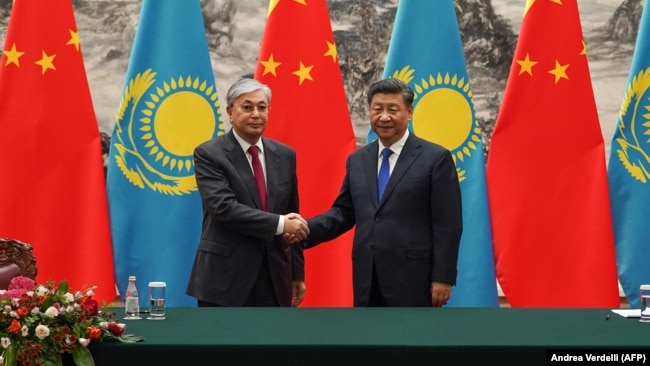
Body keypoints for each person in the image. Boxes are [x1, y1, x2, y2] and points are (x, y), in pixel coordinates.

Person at [298, 78, 463, 307]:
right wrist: (302, 231)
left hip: (415, 279)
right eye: (378, 109)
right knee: (370, 340)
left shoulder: (435, 158)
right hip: (367, 276)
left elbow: (448, 224)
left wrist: (442, 277)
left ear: (409, 112)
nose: (384, 117)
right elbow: (344, 213)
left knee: (411, 341)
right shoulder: (358, 160)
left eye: (393, 110)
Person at [186, 77, 309, 307]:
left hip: (274, 278)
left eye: (262, 107)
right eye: (247, 107)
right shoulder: (209, 154)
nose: (255, 114)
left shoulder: (285, 155)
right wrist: (281, 224)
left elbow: (293, 214)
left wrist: (296, 273)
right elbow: (223, 208)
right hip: (224, 279)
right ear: (230, 112)